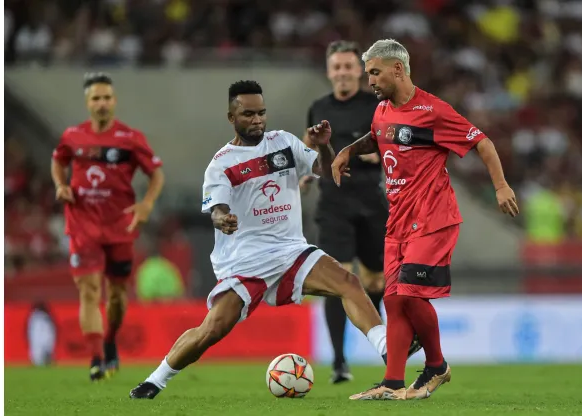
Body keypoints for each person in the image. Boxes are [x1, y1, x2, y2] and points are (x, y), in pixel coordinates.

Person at [129, 80, 419, 400]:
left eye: (262, 112)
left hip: (291, 250)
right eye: (248, 113)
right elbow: (217, 208)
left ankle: (387, 349)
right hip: (245, 259)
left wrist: (323, 144)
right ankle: (155, 380)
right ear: (231, 117)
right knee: (211, 331)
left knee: (348, 282)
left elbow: (325, 169)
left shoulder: (283, 142)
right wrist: (222, 218)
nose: (257, 119)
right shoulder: (221, 164)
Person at [332, 39, 520, 401]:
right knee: (392, 299)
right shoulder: (383, 110)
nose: (368, 80)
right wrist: (347, 151)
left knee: (411, 295)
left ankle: (437, 366)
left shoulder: (433, 110)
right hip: (397, 220)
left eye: (374, 72)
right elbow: (377, 138)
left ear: (397, 69)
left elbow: (482, 142)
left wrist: (501, 187)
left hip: (432, 216)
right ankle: (392, 382)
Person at [301, 40, 418, 384]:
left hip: (371, 201)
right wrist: (304, 173)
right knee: (338, 279)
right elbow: (309, 146)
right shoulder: (318, 107)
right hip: (333, 203)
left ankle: (379, 337)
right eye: (336, 67)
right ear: (329, 72)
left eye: (349, 67)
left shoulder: (378, 104)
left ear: (360, 71)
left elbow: (402, 144)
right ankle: (339, 361)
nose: (342, 73)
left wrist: (376, 154)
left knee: (376, 279)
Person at [51, 72, 165, 381]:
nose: (102, 103)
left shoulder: (130, 138)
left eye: (106, 98)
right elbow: (58, 160)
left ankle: (111, 338)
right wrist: (61, 185)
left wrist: (146, 204)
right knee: (88, 291)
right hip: (82, 224)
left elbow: (155, 174)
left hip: (119, 227)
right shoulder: (72, 136)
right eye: (96, 98)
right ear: (87, 103)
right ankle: (96, 358)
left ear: (114, 101)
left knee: (116, 294)